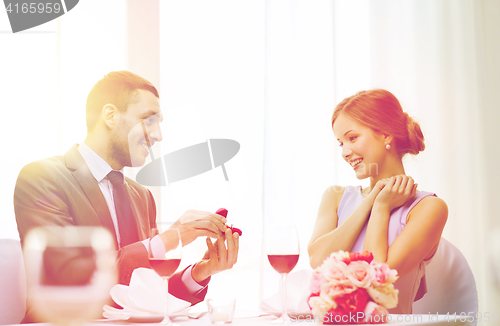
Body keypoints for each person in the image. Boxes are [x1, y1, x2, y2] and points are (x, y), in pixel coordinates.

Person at [14, 71, 239, 318]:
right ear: (110, 115)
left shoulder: (142, 196)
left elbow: (142, 292)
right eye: (148, 120)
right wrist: (170, 238)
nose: (158, 136)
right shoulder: (42, 177)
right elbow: (68, 275)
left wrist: (200, 271)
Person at [308, 89, 447, 314]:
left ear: (386, 135)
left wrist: (381, 208)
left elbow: (378, 277)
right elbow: (318, 261)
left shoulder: (429, 208)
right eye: (340, 143)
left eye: (352, 138)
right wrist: (371, 200)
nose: (344, 152)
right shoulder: (335, 196)